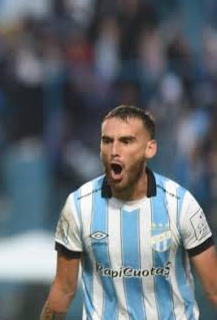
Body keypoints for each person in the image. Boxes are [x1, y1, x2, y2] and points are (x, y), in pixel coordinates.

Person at [41, 105, 217, 319]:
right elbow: (63, 290)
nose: (114, 150)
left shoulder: (182, 204)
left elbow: (213, 289)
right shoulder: (78, 206)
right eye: (107, 141)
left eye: (126, 141)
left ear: (149, 149)